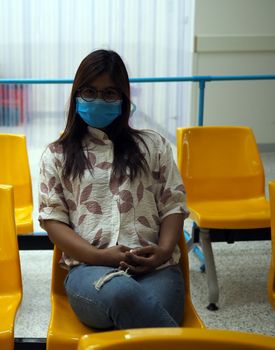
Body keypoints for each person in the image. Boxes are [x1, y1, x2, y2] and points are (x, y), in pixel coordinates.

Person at [38, 49, 189, 330]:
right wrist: (100, 257)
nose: (99, 100)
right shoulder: (56, 155)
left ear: (124, 99)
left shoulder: (153, 146)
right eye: (90, 92)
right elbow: (52, 220)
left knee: (145, 312)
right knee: (123, 295)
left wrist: (164, 250)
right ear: (76, 95)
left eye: (110, 93)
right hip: (88, 270)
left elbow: (173, 204)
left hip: (156, 269)